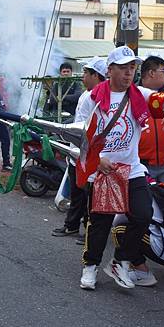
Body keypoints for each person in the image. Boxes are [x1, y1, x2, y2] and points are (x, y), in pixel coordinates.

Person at [77, 46, 164, 291]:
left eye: (132, 68)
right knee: (100, 222)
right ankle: (90, 267)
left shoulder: (140, 94)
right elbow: (79, 134)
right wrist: (98, 158)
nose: (128, 73)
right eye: (123, 68)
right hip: (102, 169)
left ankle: (121, 260)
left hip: (132, 168)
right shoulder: (91, 98)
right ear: (110, 70)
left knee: (143, 214)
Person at [52, 57, 106, 244]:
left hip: (90, 153)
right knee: (77, 192)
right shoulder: (86, 94)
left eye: (85, 73)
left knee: (89, 195)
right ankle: (72, 225)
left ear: (95, 75)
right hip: (76, 151)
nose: (82, 76)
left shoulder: (101, 96)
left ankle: (91, 232)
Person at [138, 56, 164, 183]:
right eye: (163, 72)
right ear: (151, 73)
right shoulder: (134, 94)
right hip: (141, 164)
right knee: (146, 201)